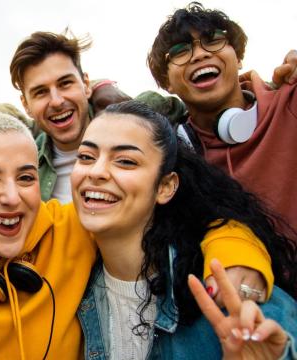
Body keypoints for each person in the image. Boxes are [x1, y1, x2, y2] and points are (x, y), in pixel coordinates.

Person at [0, 111, 273, 359]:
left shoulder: (69, 227)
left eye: (26, 177)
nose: (12, 197)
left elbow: (207, 217)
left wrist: (239, 252)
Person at [71, 101, 297, 359]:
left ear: (165, 187)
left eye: (125, 161)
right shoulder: (71, 287)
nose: (97, 172)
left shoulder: (228, 289)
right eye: (86, 157)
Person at [147, 2, 297, 232]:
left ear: (237, 58)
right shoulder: (175, 155)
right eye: (180, 51)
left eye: (214, 40)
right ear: (167, 83)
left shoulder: (290, 101)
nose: (200, 54)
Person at [9, 31, 131, 203]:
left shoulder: (135, 127)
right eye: (41, 92)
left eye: (65, 83)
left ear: (86, 85)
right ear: (26, 105)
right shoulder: (24, 166)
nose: (57, 101)